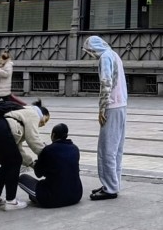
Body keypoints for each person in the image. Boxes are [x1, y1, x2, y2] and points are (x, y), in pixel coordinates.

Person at [0, 98, 49, 210]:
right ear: (42, 113)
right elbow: (33, 140)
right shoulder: (33, 113)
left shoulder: (20, 116)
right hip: (0, 132)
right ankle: (11, 201)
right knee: (14, 163)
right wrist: (48, 154)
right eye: (45, 120)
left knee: (7, 165)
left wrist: (32, 163)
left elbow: (18, 149)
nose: (43, 124)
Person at [83, 35, 126, 201]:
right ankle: (113, 183)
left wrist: (102, 108)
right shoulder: (114, 54)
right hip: (121, 105)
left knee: (106, 149)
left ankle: (109, 188)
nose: (90, 54)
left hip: (112, 106)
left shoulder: (105, 58)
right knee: (116, 149)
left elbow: (106, 82)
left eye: (90, 51)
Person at [18, 122, 82, 208]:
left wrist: (40, 157)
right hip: (76, 195)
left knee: (22, 178)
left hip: (53, 199)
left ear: (53, 135)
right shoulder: (75, 148)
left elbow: (38, 173)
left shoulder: (48, 150)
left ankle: (38, 197)